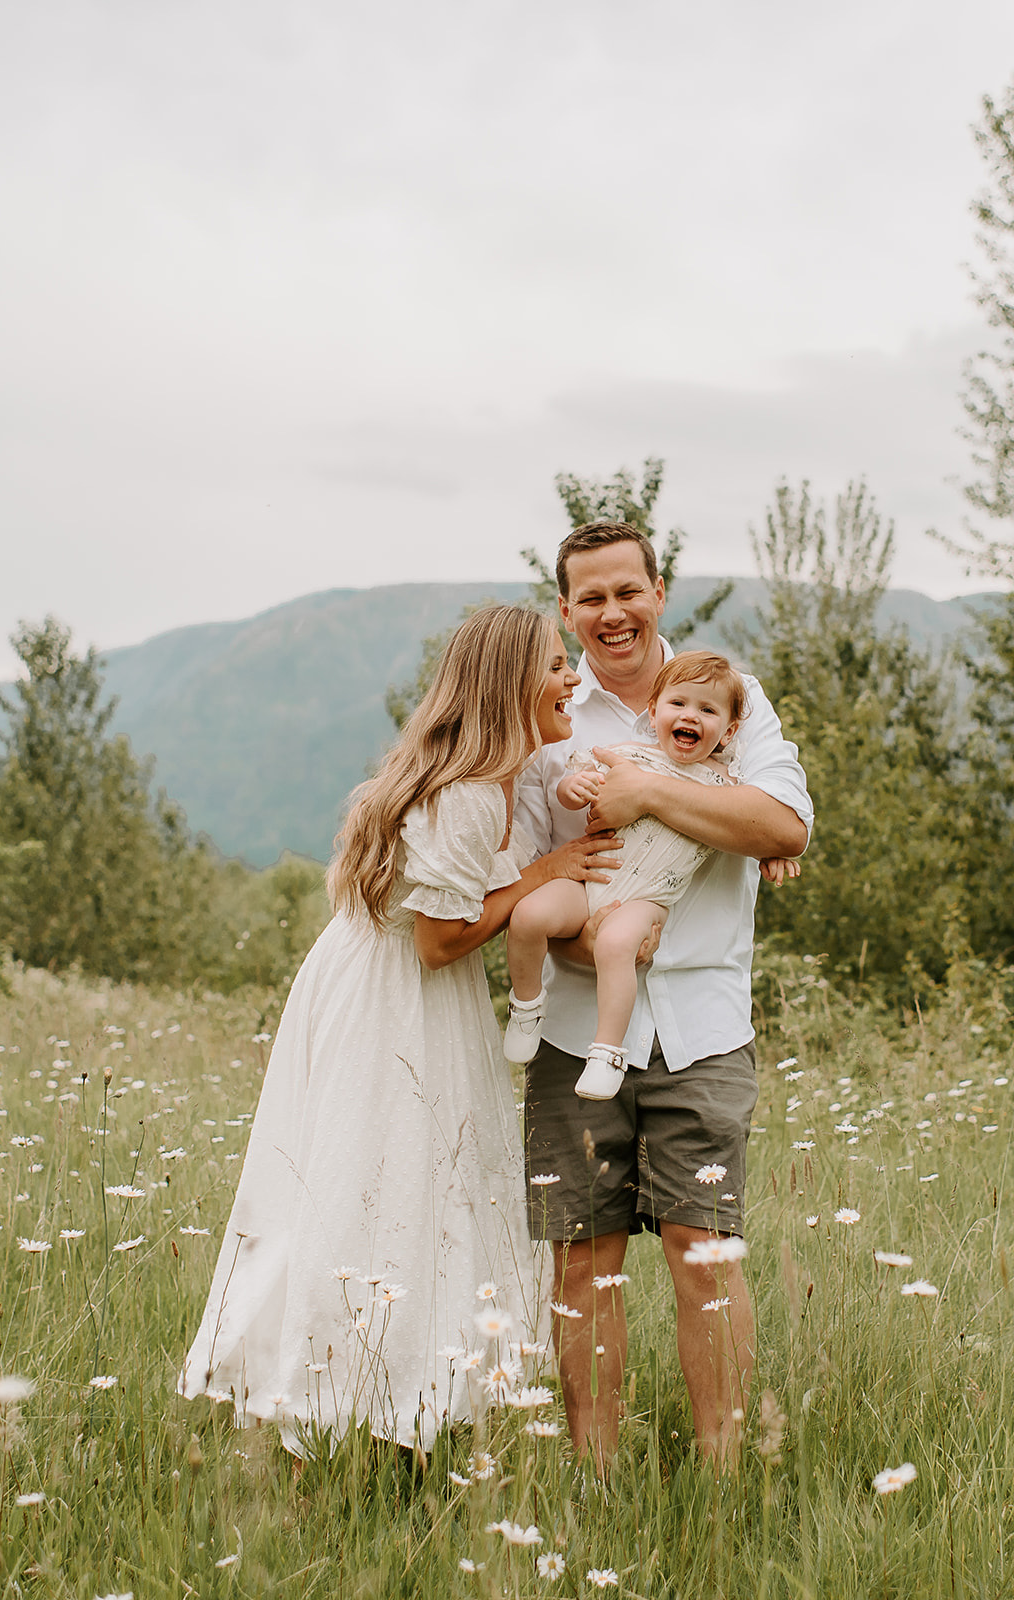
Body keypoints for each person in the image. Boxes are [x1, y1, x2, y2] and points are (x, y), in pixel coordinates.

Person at [178, 604, 621, 1457]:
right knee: (376, 1185)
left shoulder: (487, 780)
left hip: (380, 984)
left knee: (409, 1187)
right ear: (510, 684)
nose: (572, 680)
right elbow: (438, 940)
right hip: (394, 996)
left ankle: (400, 1391)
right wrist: (544, 872)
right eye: (556, 666)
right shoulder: (464, 795)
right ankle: (339, 1397)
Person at [516, 523, 813, 1470]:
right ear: (568, 611)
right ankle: (596, 1476)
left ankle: (725, 1474)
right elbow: (528, 871)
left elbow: (779, 822)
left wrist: (645, 793)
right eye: (590, 598)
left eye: (627, 592)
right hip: (573, 1026)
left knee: (703, 1249)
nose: (612, 614)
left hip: (704, 1025)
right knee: (581, 1257)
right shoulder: (552, 716)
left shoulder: (733, 696)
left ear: (658, 593)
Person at [505, 651, 799, 1100]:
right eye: (678, 705)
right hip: (592, 881)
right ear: (654, 711)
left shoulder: (727, 783)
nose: (690, 717)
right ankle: (526, 1004)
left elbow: (769, 826)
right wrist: (572, 788)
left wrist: (773, 853)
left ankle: (606, 1051)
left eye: (707, 710)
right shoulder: (629, 756)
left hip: (645, 898)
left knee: (617, 944)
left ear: (730, 729)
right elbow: (572, 783)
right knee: (528, 915)